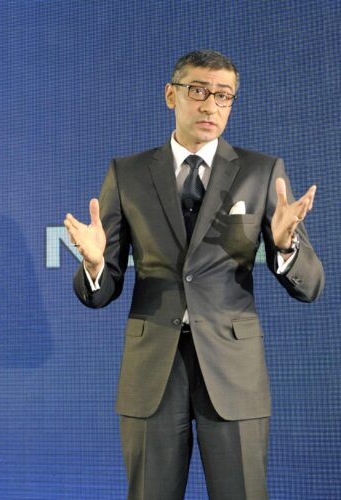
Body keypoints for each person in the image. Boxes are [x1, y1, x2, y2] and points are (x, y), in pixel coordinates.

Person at [64, 50, 324, 499]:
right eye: (198, 91)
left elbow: (312, 286)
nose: (210, 105)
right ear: (171, 95)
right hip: (153, 368)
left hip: (232, 368)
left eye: (224, 96)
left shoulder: (261, 172)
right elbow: (101, 290)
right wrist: (93, 265)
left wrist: (285, 246)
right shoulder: (128, 174)